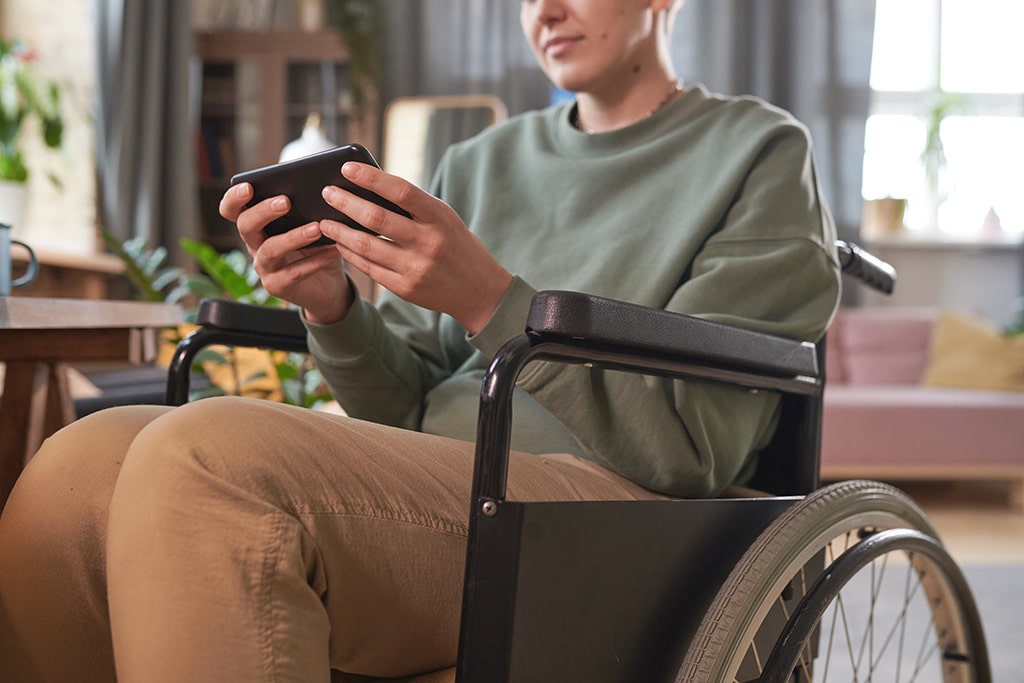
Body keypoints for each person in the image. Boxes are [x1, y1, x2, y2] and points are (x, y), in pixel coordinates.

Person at [0, 0, 841, 680]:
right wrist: (333, 309)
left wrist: (489, 299)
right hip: (446, 480)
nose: (545, 9)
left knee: (207, 458)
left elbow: (693, 447)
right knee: (76, 465)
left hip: (616, 513)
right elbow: (397, 405)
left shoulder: (757, 152)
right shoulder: (480, 162)